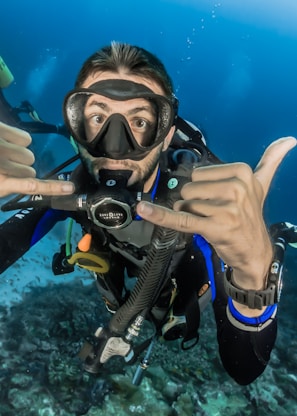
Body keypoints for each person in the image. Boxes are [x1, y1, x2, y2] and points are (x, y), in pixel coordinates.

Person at [0, 42, 296, 387]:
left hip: (179, 298)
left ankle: (274, 238)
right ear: (76, 127)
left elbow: (244, 367)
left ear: (167, 133)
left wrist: (255, 277)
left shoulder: (200, 210)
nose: (116, 146)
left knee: (251, 249)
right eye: (98, 118)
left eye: (140, 121)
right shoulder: (67, 190)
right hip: (129, 295)